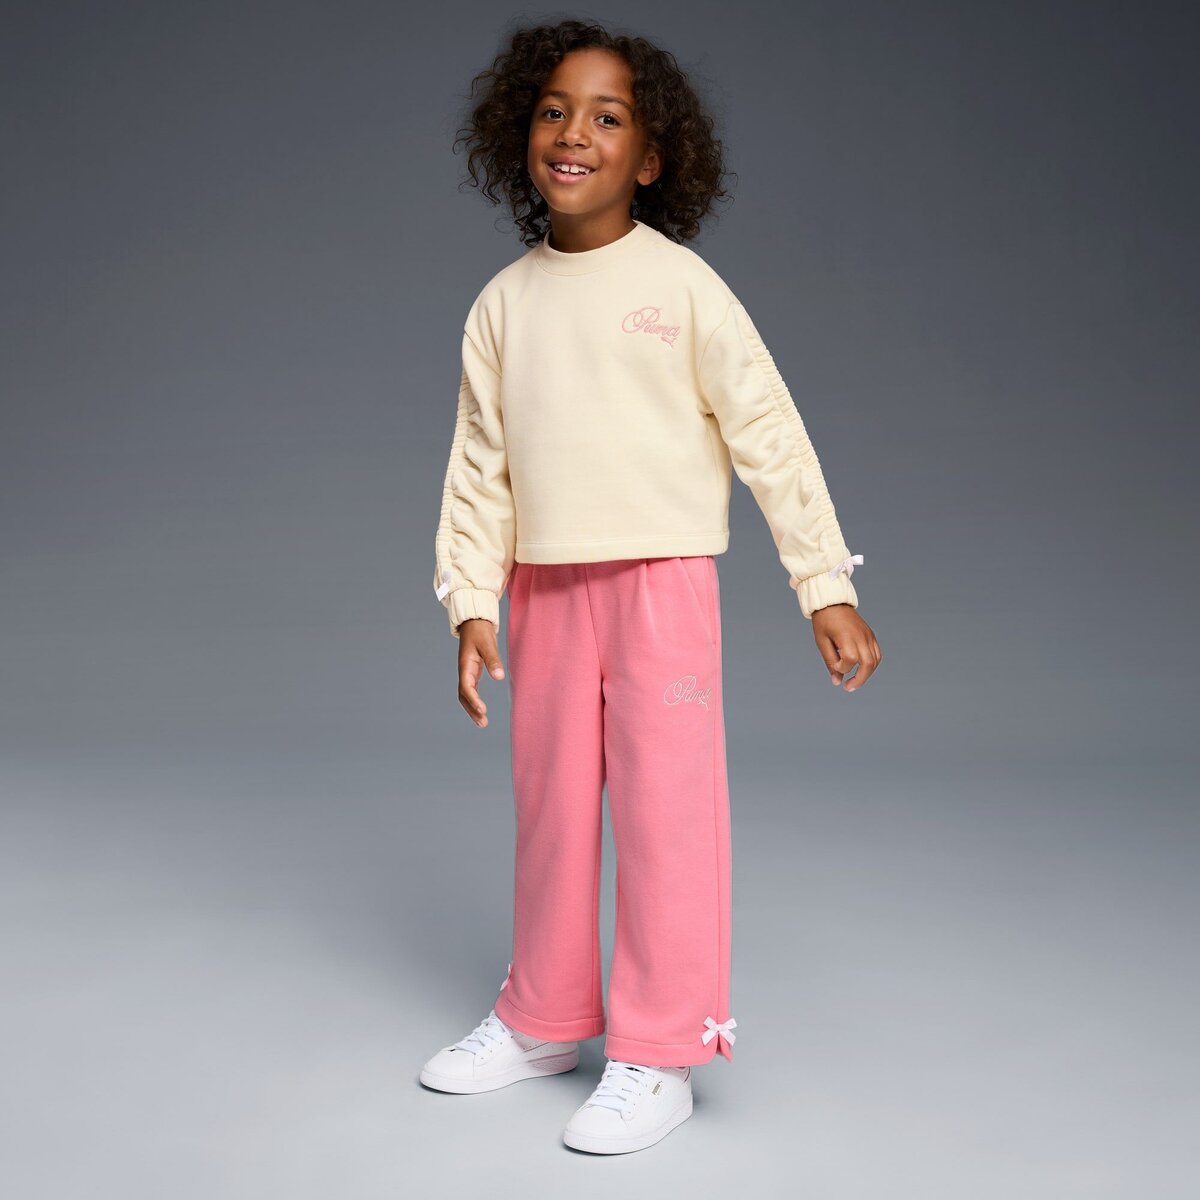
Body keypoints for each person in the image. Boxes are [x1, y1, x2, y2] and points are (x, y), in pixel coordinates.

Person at [419, 19, 883, 1154]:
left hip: (661, 583)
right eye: (553, 112)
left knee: (668, 814)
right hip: (544, 589)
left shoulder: (682, 287)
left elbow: (768, 431)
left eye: (607, 117)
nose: (573, 133)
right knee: (551, 807)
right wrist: (472, 602)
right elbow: (480, 468)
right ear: (520, 135)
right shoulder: (502, 305)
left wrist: (822, 581)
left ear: (653, 158)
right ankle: (543, 1017)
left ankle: (663, 1049)